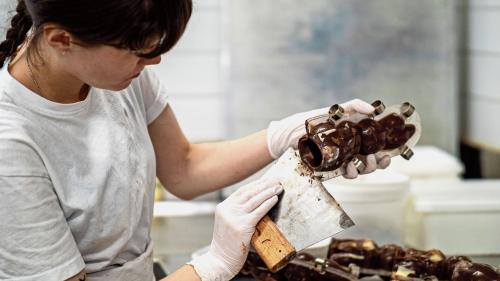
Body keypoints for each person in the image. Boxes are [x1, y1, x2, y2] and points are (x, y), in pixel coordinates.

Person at [0, 0, 390, 280]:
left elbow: (184, 169)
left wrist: (282, 136)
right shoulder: (11, 145)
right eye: (140, 52)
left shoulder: (116, 75)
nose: (153, 62)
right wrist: (213, 265)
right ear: (60, 39)